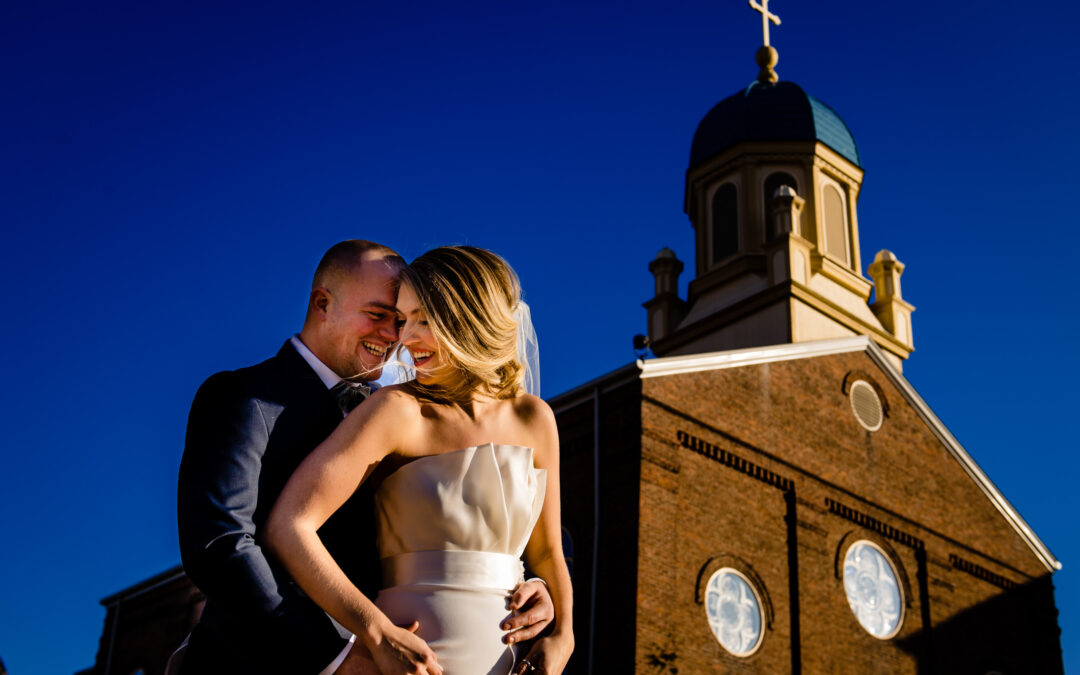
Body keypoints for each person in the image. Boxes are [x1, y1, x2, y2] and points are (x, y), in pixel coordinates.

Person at [175, 241, 554, 674]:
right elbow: (221, 545)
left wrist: (533, 586)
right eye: (378, 316)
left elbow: (481, 514)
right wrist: (338, 655)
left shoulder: (404, 410)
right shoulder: (244, 397)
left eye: (401, 319)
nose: (395, 337)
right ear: (322, 303)